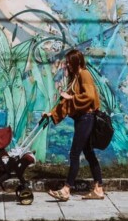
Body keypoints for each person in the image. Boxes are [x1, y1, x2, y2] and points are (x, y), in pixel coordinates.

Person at [42, 48, 104, 201]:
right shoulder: (75, 77)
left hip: (86, 118)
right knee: (89, 154)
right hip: (82, 119)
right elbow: (66, 102)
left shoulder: (84, 74)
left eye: (70, 62)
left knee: (74, 153)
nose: (67, 65)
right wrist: (53, 113)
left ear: (77, 62)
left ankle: (66, 189)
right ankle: (99, 189)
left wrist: (71, 97)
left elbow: (88, 97)